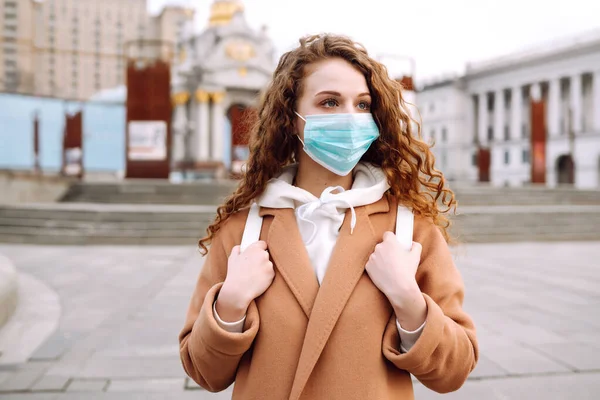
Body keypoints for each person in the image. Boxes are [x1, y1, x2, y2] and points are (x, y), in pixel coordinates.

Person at [179, 33, 478, 400]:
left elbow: (455, 369)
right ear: (291, 118)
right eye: (330, 102)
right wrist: (229, 305)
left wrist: (409, 302)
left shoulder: (409, 228)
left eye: (363, 104)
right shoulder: (244, 229)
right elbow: (204, 372)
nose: (350, 118)